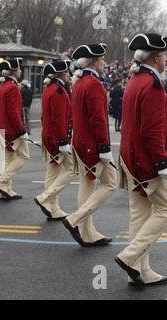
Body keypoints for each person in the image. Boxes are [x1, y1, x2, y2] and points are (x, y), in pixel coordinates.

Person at [115, 33, 167, 287]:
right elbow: (152, 130)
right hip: (146, 160)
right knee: (165, 209)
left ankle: (139, 270)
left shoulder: (135, 80)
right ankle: (130, 257)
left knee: (139, 215)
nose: (166, 59)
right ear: (156, 57)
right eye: (165, 55)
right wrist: (162, 162)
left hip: (130, 157)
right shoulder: (153, 85)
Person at [62, 43, 118, 247]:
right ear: (94, 61)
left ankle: (87, 232)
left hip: (80, 142)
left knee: (86, 186)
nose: (104, 63)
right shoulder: (94, 84)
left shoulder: (80, 82)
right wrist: (104, 147)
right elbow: (98, 119)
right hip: (92, 145)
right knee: (110, 184)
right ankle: (75, 220)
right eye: (102, 59)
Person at [34, 60, 74, 221]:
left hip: (50, 135)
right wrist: (63, 141)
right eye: (67, 73)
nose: (69, 75)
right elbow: (59, 119)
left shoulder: (50, 88)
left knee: (53, 171)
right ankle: (46, 197)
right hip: (57, 137)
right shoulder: (58, 91)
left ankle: (52, 207)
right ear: (61, 74)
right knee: (72, 169)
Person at [0, 58, 29, 201]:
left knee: (9, 159)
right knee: (24, 156)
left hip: (3, 127)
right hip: (12, 129)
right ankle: (2, 181)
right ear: (14, 71)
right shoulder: (12, 87)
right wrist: (21, 130)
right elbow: (13, 112)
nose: (20, 71)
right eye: (19, 69)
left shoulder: (4, 85)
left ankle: (7, 189)